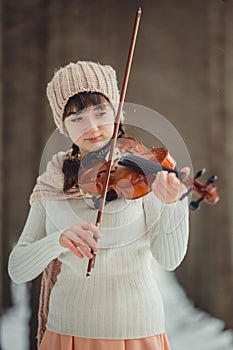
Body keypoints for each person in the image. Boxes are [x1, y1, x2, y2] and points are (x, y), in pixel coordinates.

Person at [8, 61, 190, 350]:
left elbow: (169, 260)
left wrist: (173, 205)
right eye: (76, 117)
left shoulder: (143, 171)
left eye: (100, 112)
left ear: (116, 112)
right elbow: (18, 269)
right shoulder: (52, 182)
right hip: (68, 330)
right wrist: (59, 240)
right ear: (63, 126)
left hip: (139, 329)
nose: (91, 127)